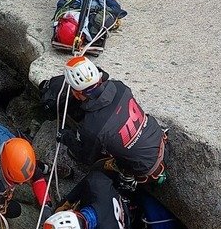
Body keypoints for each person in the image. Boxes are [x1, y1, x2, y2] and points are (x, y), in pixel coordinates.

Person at [37, 55, 168, 188]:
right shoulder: (120, 87)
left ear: (76, 94)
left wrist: (66, 137)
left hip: (145, 171)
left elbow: (86, 157)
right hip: (159, 141)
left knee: (96, 167)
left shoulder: (92, 127)